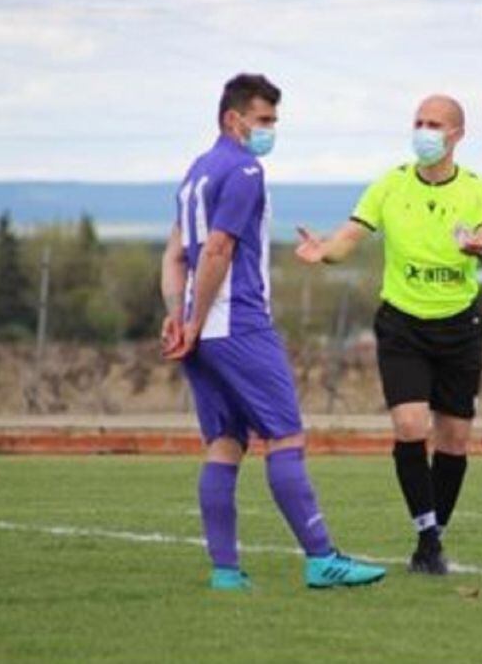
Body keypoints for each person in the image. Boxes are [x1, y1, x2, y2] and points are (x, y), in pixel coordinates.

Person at [160, 73, 386, 591]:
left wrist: (177, 315)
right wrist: (194, 321)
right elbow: (218, 250)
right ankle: (321, 559)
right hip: (238, 323)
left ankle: (224, 572)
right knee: (285, 435)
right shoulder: (244, 169)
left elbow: (173, 255)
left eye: (274, 121)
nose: (270, 131)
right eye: (263, 120)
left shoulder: (194, 174)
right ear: (232, 119)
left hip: (203, 332)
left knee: (225, 443)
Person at [295, 94, 482, 575]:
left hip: (460, 327)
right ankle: (427, 535)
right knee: (411, 427)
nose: (424, 131)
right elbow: (350, 236)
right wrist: (323, 251)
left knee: (453, 441)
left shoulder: (478, 190)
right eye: (419, 122)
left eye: (435, 124)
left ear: (457, 135)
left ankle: (434, 538)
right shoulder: (390, 185)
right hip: (402, 326)